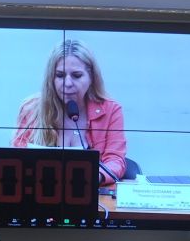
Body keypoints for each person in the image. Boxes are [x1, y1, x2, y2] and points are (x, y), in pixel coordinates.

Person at [12, 39, 127, 185]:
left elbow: (115, 160)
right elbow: (17, 158)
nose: (68, 84)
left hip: (89, 191)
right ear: (51, 78)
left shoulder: (111, 110)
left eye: (77, 75)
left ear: (91, 77)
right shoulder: (31, 108)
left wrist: (92, 177)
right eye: (60, 75)